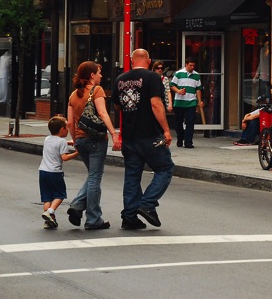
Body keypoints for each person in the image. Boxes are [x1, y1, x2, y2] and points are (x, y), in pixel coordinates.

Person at [113, 48, 173, 230]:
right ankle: (147, 203)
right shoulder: (152, 77)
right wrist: (166, 130)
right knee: (165, 168)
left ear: (132, 61)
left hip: (130, 136)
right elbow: (156, 104)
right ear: (148, 61)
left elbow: (117, 106)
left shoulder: (120, 79)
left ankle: (129, 216)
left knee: (132, 176)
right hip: (149, 134)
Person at [65, 61, 119, 230]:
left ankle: (78, 205)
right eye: (99, 72)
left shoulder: (73, 95)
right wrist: (114, 133)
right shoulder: (97, 90)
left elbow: (70, 123)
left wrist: (75, 141)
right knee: (95, 178)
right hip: (96, 140)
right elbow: (103, 113)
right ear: (91, 75)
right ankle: (93, 218)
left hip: (81, 140)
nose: (101, 75)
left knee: (92, 176)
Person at [38, 115, 78, 229]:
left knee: (47, 197)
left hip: (43, 171)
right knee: (60, 194)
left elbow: (57, 144)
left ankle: (49, 221)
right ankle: (50, 212)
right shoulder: (62, 142)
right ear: (62, 129)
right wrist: (77, 153)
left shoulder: (47, 139)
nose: (67, 130)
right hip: (55, 172)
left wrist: (68, 143)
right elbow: (64, 157)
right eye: (66, 127)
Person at [170, 59, 203, 149]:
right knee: (178, 123)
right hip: (179, 102)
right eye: (190, 65)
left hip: (191, 102)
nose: (192, 67)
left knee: (190, 122)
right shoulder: (178, 73)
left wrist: (199, 101)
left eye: (193, 66)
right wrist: (179, 91)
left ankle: (188, 142)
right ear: (186, 64)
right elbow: (172, 85)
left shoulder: (196, 75)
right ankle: (180, 138)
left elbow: (198, 89)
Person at [152, 61, 174, 131]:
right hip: (152, 102)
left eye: (161, 68)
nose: (160, 70)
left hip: (161, 101)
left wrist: (170, 103)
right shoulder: (150, 78)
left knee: (161, 119)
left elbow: (168, 91)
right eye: (158, 68)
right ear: (154, 69)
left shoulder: (165, 79)